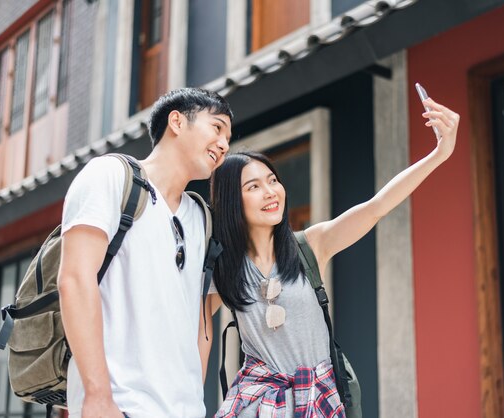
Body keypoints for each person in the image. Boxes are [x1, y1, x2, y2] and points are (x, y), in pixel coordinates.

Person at [210, 97, 459, 417]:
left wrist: (440, 154)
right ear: (233, 201)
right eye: (254, 186)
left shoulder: (310, 245)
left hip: (318, 398)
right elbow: (192, 329)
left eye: (273, 180)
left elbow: (376, 206)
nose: (271, 192)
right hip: (259, 402)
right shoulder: (224, 266)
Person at [58, 88, 232, 418]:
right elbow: (75, 281)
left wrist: (195, 401)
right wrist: (97, 396)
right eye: (217, 128)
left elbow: (201, 320)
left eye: (229, 137)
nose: (224, 144)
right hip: (119, 405)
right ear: (177, 121)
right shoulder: (110, 176)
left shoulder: (202, 218)